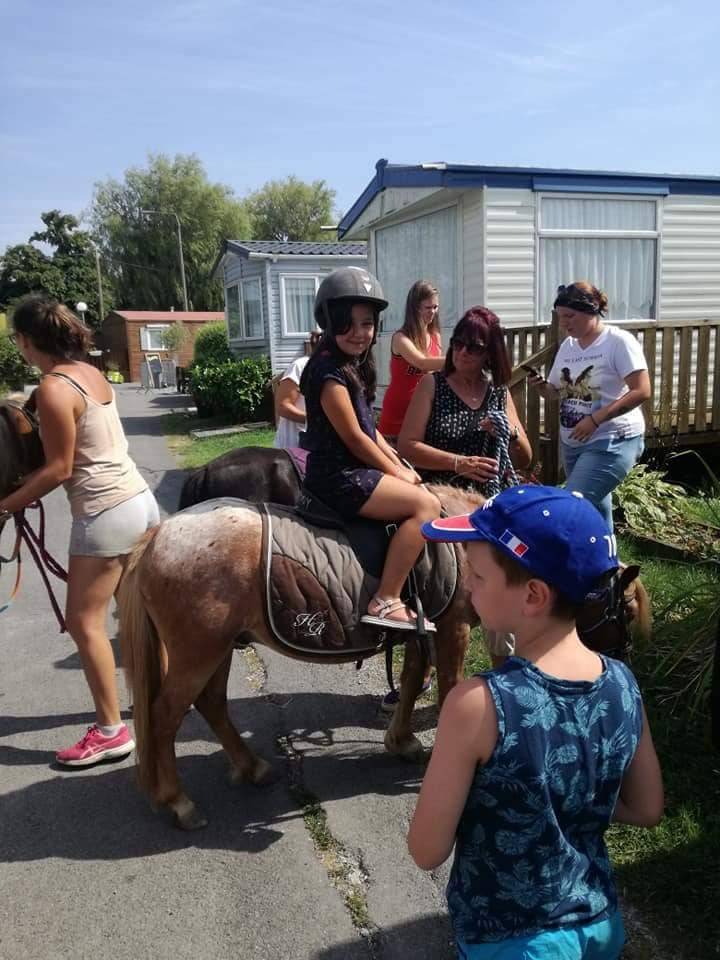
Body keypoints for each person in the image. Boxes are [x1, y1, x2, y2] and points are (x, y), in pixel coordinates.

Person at [409, 485, 664, 960]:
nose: (467, 585)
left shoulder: (478, 704)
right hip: (598, 926)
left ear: (532, 594)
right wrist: (565, 805)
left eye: (478, 576)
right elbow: (647, 808)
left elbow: (426, 849)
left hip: (512, 940)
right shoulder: (623, 684)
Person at [0, 297, 160, 767]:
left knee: (84, 622)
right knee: (141, 616)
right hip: (139, 501)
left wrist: (5, 507)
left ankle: (111, 731)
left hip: (104, 512)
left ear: (27, 342)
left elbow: (58, 469)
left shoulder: (52, 387)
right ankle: (159, 701)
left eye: (17, 339)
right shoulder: (88, 373)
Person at [300, 267, 441, 631]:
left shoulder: (350, 366)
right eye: (348, 323)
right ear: (329, 322)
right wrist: (398, 474)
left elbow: (371, 430)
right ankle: (385, 599)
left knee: (417, 486)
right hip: (338, 475)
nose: (360, 333)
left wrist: (400, 461)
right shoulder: (327, 371)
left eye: (367, 323)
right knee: (426, 505)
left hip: (352, 468)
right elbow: (354, 438)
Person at [529, 282, 650, 532]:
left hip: (612, 439)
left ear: (592, 310)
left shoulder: (618, 342)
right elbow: (554, 393)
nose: (564, 323)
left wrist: (595, 420)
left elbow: (642, 390)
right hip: (573, 442)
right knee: (596, 512)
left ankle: (559, 567)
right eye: (561, 317)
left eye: (570, 316)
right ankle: (606, 566)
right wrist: (541, 387)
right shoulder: (568, 347)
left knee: (573, 504)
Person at [398, 307, 532, 497]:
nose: (462, 352)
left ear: (489, 353)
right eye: (458, 343)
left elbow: (524, 459)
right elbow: (407, 446)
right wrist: (457, 463)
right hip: (441, 495)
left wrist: (511, 433)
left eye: (474, 348)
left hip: (489, 497)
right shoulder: (432, 384)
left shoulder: (498, 392)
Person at [377, 280, 445, 442]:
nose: (432, 312)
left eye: (435, 307)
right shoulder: (400, 338)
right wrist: (460, 360)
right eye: (427, 308)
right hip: (396, 416)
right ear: (415, 308)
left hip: (424, 414)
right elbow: (421, 363)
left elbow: (437, 375)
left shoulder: (436, 336)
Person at [273, 330, 322, 448]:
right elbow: (283, 406)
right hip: (292, 446)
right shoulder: (300, 366)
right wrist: (315, 420)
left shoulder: (335, 370)